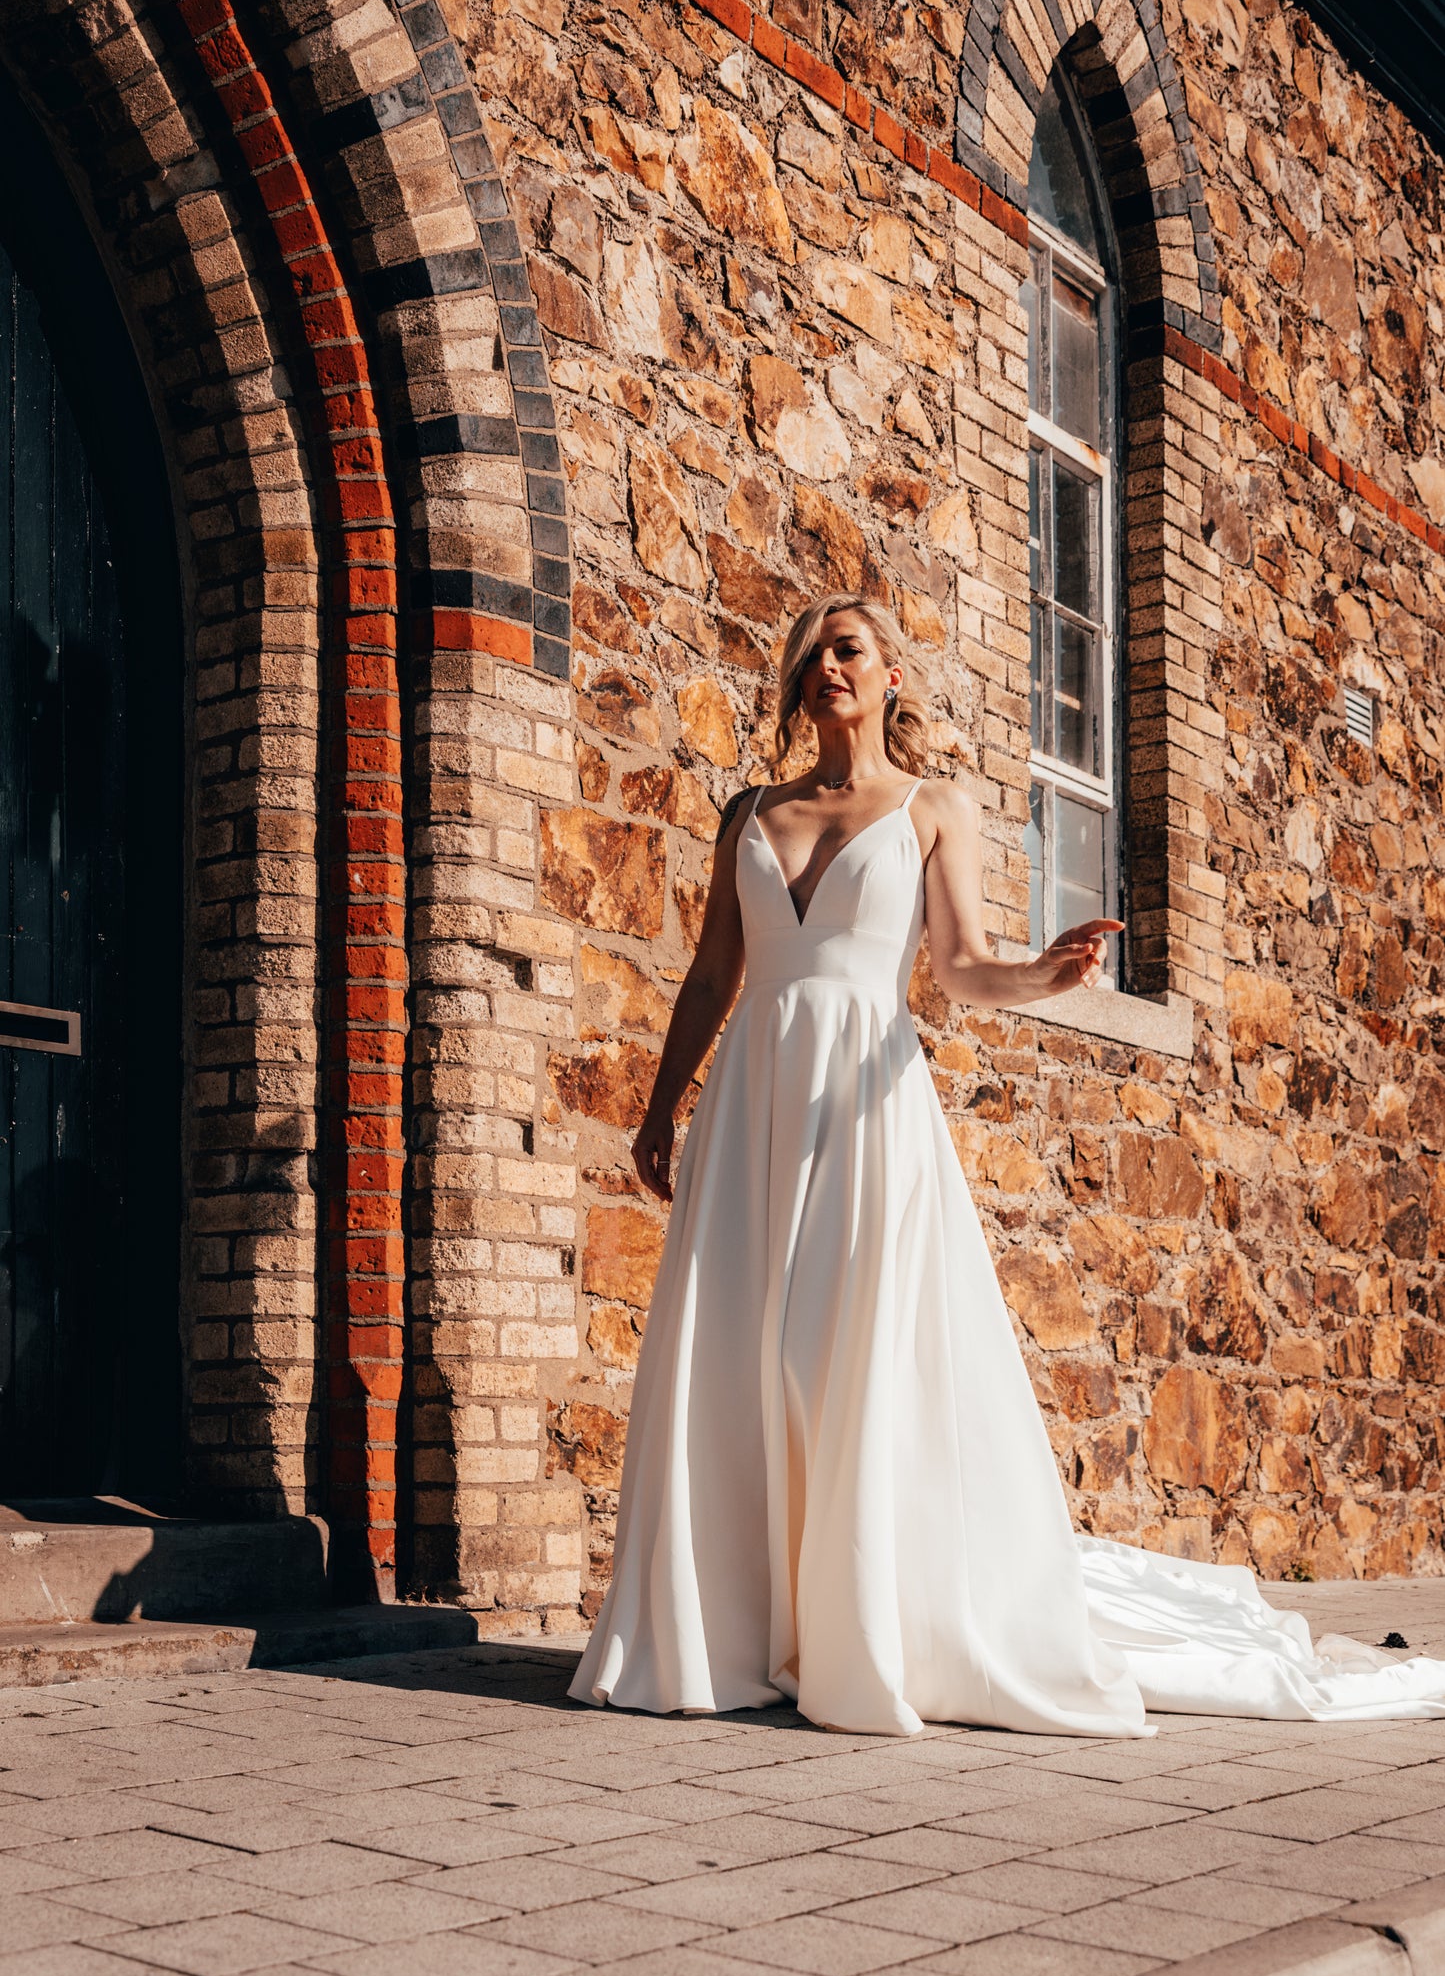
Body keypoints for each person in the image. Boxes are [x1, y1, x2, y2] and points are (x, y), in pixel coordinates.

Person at [569, 592, 1445, 1736]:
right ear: (795, 683)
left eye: (850, 650)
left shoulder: (930, 807)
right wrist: (658, 1109)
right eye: (812, 654)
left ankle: (859, 1623)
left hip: (863, 1114)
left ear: (888, 675)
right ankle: (728, 1631)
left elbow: (961, 969)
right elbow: (709, 977)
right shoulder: (748, 809)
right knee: (735, 1349)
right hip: (749, 1105)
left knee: (840, 1352)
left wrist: (1042, 975)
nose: (828, 665)